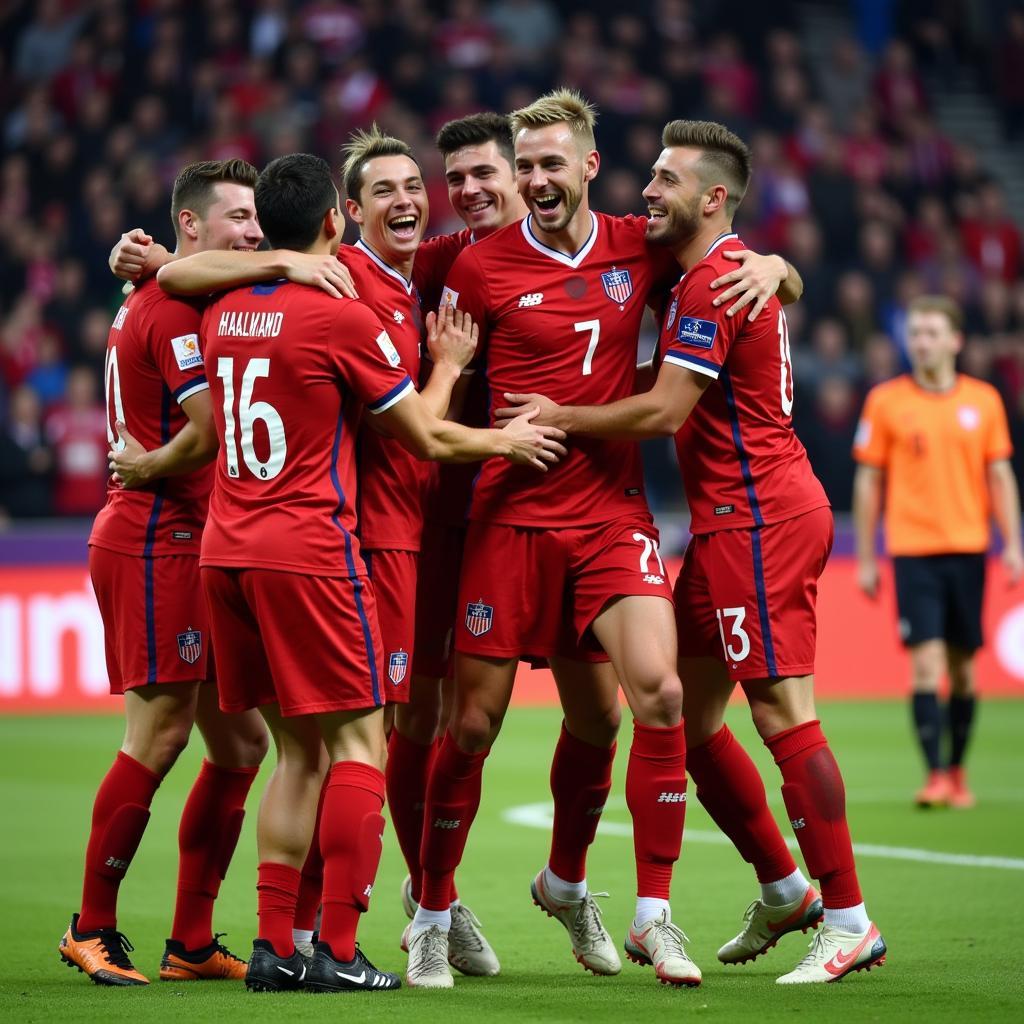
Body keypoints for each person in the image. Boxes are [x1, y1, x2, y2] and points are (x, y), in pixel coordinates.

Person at [404, 91, 800, 991]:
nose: (538, 179)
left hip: (611, 513)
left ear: (587, 165)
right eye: (526, 165)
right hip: (506, 519)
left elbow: (721, 260)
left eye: (553, 163)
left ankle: (653, 916)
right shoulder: (478, 269)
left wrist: (777, 267)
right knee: (470, 726)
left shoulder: (639, 246)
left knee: (654, 695)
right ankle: (430, 912)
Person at [497, 117, 887, 985]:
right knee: (690, 718)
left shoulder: (715, 284)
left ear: (712, 197)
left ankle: (850, 918)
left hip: (761, 517)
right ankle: (786, 889)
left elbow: (664, 412)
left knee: (783, 712)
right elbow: (681, 373)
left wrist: (554, 414)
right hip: (725, 525)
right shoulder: (715, 273)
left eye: (666, 180)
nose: (647, 190)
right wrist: (785, 270)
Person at [189, 152, 564, 994]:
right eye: (379, 191)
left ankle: (274, 943)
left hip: (230, 548)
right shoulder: (344, 309)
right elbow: (421, 436)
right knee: (365, 743)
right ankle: (341, 947)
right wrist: (485, 411)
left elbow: (185, 273)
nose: (407, 202)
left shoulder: (222, 310)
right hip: (323, 548)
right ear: (337, 220)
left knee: (298, 756)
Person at [58, 159, 270, 987]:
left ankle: (191, 940)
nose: (253, 234)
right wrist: (151, 470)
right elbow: (207, 433)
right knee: (158, 734)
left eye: (258, 220)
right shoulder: (176, 310)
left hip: (188, 535)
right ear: (190, 226)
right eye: (238, 219)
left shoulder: (167, 296)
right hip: (156, 536)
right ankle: (92, 926)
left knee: (243, 742)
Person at [852, 295, 1022, 807]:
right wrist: (865, 555)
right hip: (913, 550)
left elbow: (1000, 476)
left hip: (969, 549)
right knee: (925, 665)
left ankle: (957, 771)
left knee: (964, 668)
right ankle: (934, 777)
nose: (921, 341)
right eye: (915, 332)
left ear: (955, 341)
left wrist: (1012, 544)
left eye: (930, 332)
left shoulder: (985, 400)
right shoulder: (885, 401)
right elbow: (868, 482)